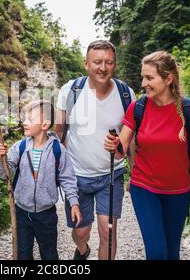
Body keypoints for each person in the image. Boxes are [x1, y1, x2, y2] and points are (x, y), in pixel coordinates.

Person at [104, 51, 190, 260]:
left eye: (149, 78)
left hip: (179, 191)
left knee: (171, 252)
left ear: (168, 79)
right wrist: (113, 145)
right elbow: (120, 148)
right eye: (143, 77)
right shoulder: (137, 107)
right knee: (157, 252)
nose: (143, 84)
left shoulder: (189, 109)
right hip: (145, 188)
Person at [54, 40, 136, 260]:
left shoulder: (126, 94)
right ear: (86, 64)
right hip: (76, 174)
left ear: (114, 64)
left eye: (108, 62)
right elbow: (58, 133)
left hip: (112, 174)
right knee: (81, 231)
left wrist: (135, 172)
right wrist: (55, 170)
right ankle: (83, 249)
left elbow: (132, 139)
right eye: (97, 62)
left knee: (108, 231)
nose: (103, 67)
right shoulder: (71, 90)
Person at [0, 100, 82, 260]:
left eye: (30, 119)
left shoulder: (57, 150)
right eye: (24, 119)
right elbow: (4, 175)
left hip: (46, 214)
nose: (24, 123)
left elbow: (68, 179)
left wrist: (74, 203)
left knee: (49, 254)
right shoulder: (19, 147)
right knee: (23, 254)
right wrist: (2, 159)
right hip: (21, 212)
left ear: (45, 124)